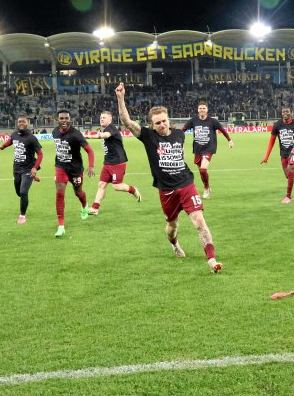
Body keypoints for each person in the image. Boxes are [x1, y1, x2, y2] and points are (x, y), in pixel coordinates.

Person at [116, 83, 222, 272]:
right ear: (152, 125)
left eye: (164, 120)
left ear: (168, 119)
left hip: (186, 184)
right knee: (172, 226)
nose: (162, 125)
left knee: (199, 220)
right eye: (157, 123)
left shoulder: (180, 134)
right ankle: (174, 244)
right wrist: (121, 97)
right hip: (166, 190)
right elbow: (126, 121)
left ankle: (212, 260)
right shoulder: (148, 136)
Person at [87, 111, 141, 215]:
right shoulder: (107, 128)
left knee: (117, 186)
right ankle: (95, 208)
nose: (101, 119)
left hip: (117, 162)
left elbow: (106, 135)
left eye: (104, 118)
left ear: (110, 119)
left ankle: (133, 189)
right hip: (108, 163)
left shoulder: (111, 128)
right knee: (101, 184)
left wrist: (90, 136)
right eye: (101, 117)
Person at [52, 108, 95, 237]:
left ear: (70, 119)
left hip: (76, 170)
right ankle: (61, 226)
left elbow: (90, 151)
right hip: (60, 167)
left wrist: (91, 166)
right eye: (61, 118)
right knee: (60, 193)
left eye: (66, 118)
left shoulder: (76, 134)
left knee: (78, 192)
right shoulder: (54, 132)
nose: (64, 121)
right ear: (57, 119)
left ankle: (84, 205)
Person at [182, 102, 234, 199]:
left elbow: (222, 130)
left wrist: (229, 140)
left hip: (208, 148)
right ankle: (208, 186)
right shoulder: (193, 120)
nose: (202, 110)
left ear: (207, 110)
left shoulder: (212, 121)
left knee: (203, 169)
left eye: (204, 108)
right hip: (197, 149)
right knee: (201, 172)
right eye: (200, 108)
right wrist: (176, 138)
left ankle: (206, 188)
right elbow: (183, 130)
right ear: (198, 110)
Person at [0, 115, 43, 224]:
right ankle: (33, 178)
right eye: (19, 122)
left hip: (28, 169)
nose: (21, 123)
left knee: (23, 193)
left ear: (27, 123)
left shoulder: (32, 138)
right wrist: (3, 146)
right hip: (17, 168)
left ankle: (22, 215)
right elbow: (11, 141)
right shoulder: (14, 134)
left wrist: (35, 168)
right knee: (18, 192)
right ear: (17, 123)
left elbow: (40, 154)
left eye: (23, 122)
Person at [261, 107, 294, 203]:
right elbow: (272, 141)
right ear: (281, 113)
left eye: (287, 111)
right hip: (283, 152)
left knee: (290, 171)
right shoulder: (277, 125)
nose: (285, 113)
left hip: (293, 152)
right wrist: (266, 156)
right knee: (288, 175)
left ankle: (288, 197)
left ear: (290, 112)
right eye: (283, 112)